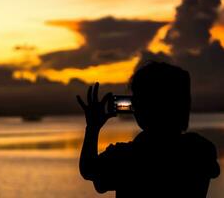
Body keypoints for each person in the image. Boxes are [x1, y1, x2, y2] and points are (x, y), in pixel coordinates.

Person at [76, 61, 220, 198]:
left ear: (144, 107)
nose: (133, 105)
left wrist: (93, 127)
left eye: (137, 99)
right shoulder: (201, 150)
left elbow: (89, 170)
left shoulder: (126, 157)